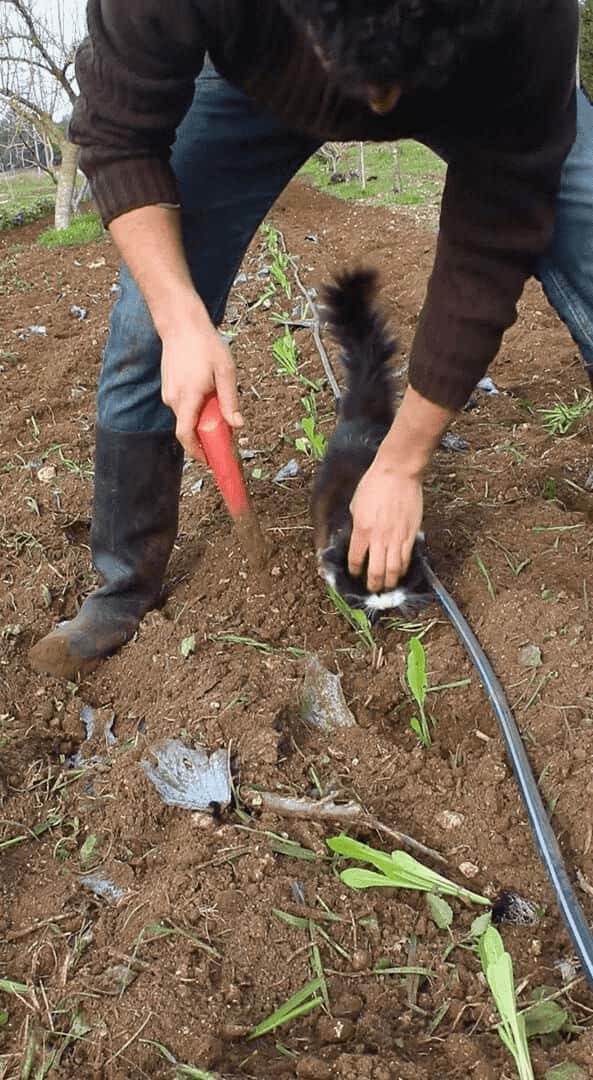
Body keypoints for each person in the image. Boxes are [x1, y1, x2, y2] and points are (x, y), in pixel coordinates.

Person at [29, 0, 591, 680]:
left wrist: (403, 460)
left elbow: (494, 231)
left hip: (469, 78)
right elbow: (118, 138)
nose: (379, 107)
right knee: (148, 326)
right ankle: (123, 584)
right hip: (248, 82)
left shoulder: (526, 18)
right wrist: (181, 322)